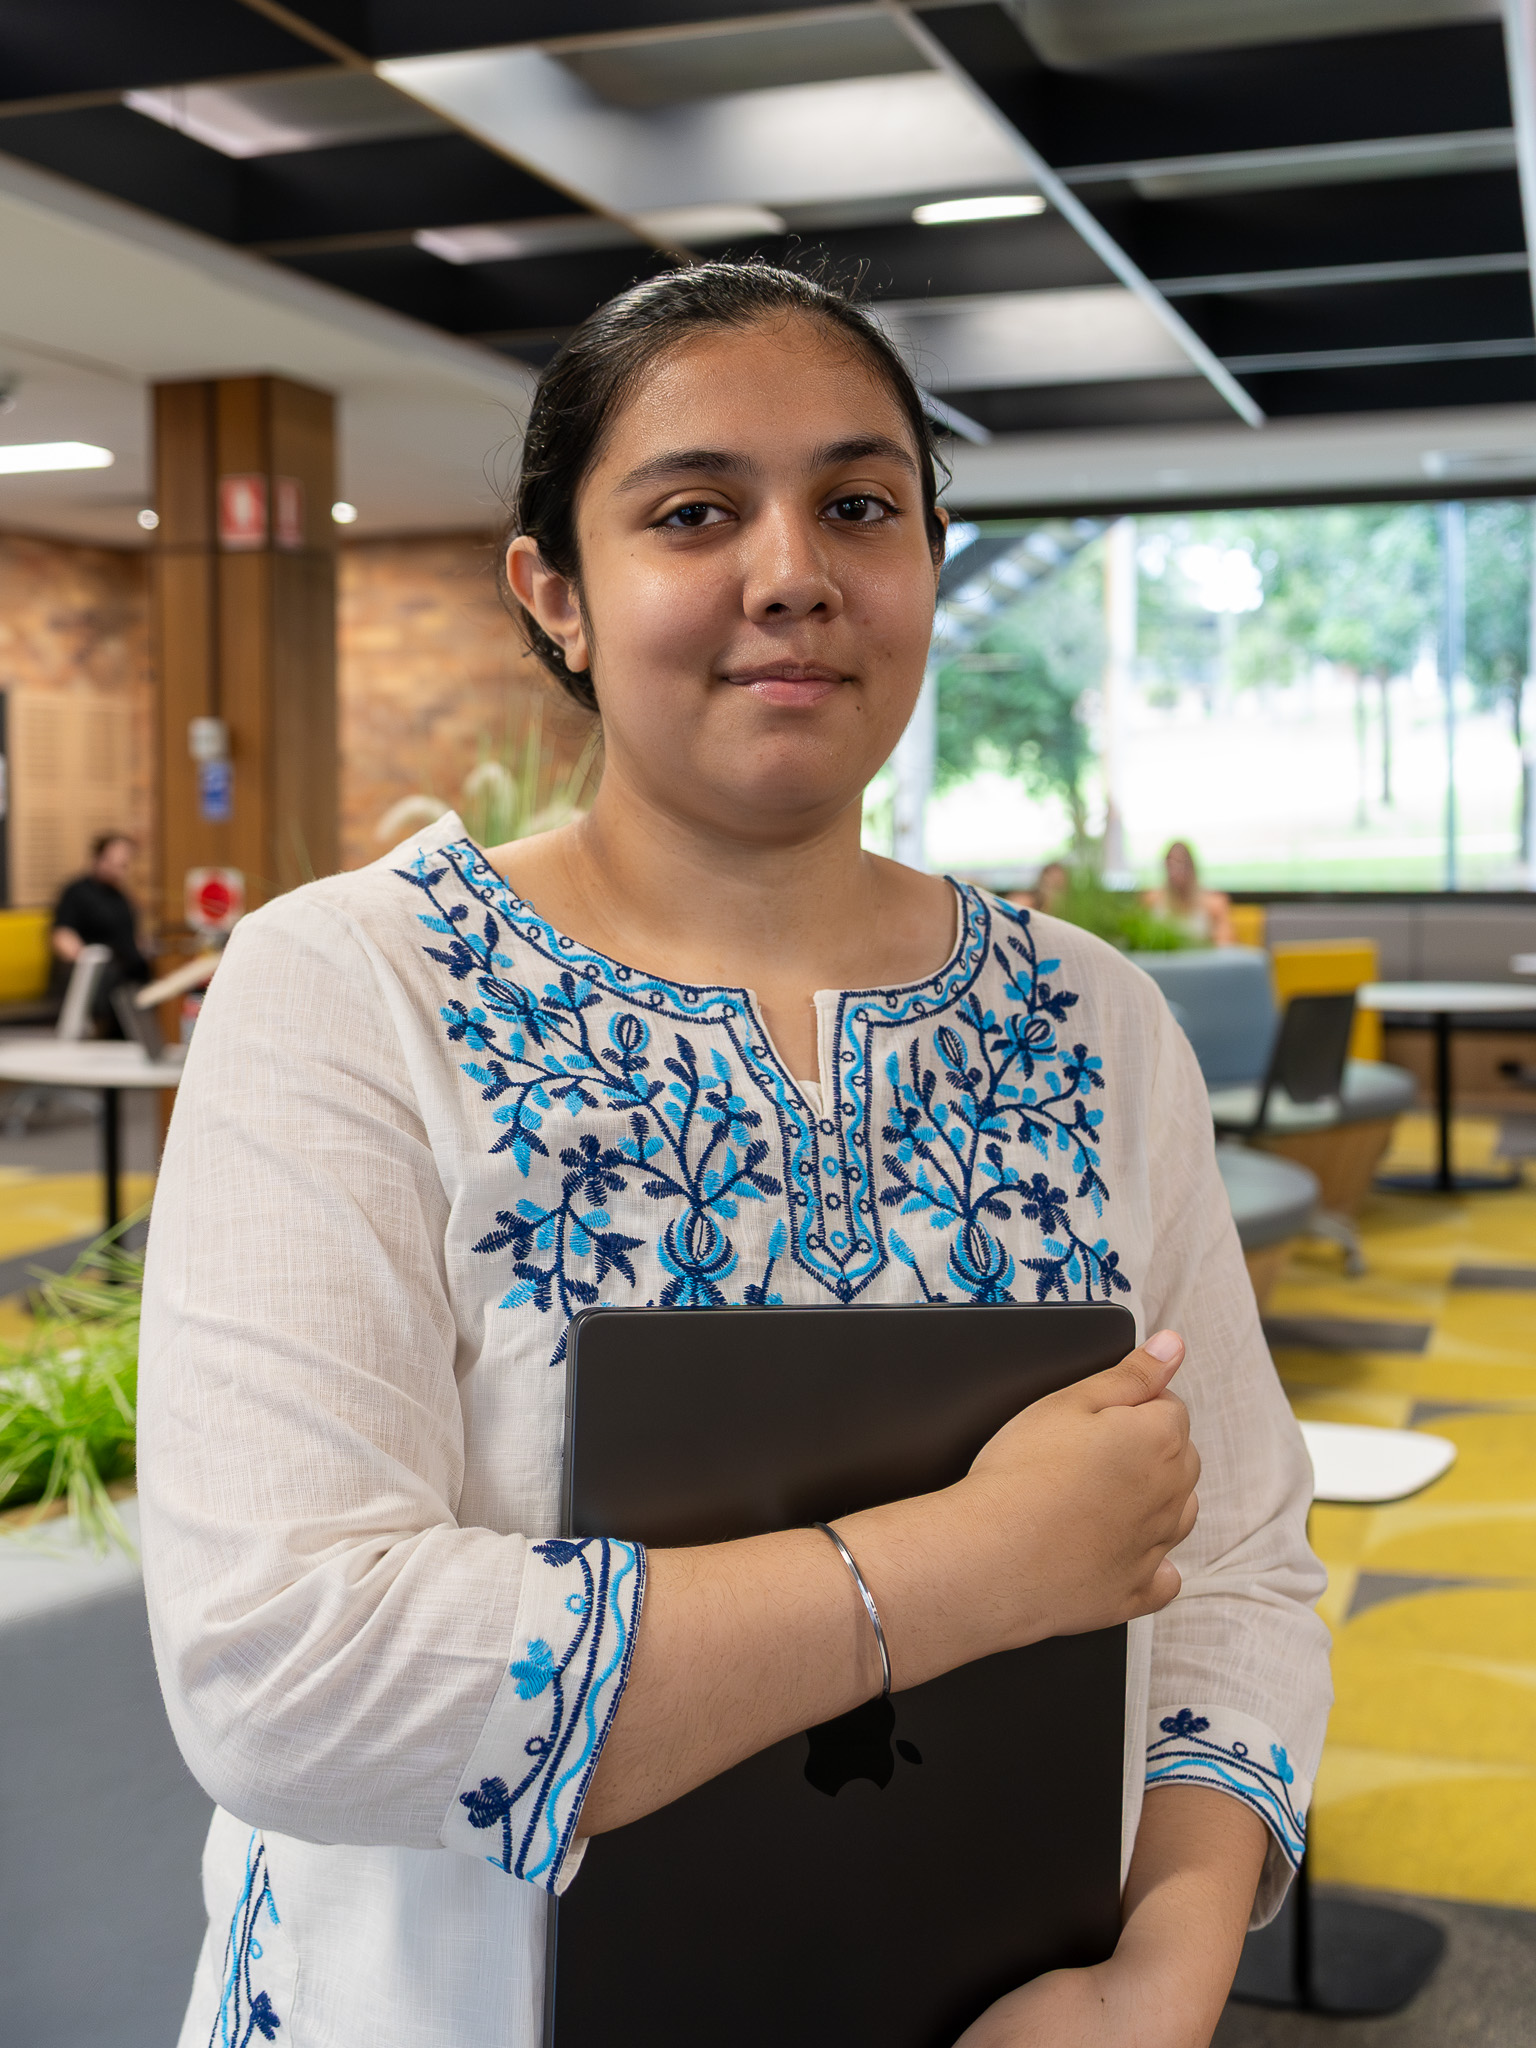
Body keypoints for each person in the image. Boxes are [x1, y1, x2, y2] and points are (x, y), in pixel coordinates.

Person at [138, 262, 1328, 2048]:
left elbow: (1239, 1563)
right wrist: (971, 1563)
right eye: (694, 512)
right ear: (555, 593)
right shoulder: (352, 986)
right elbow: (291, 1665)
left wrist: (1156, 1983)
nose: (794, 572)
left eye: (861, 505)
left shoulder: (1096, 1018)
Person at [50, 830, 151, 1026]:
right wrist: (86, 960)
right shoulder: (76, 892)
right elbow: (62, 935)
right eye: (118, 861)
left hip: (128, 981)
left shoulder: (120, 895)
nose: (123, 866)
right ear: (100, 859)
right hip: (100, 981)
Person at [1145, 840, 1233, 946]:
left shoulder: (1214, 903)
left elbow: (1225, 946)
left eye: (1182, 863)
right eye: (1172, 864)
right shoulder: (1151, 900)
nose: (1177, 870)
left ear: (1191, 866)